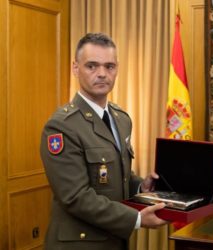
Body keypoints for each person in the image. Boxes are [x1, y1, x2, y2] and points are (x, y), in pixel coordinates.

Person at [40, 33, 167, 250]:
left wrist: (140, 186)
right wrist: (136, 218)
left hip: (115, 239)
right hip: (80, 244)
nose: (102, 74)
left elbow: (116, 177)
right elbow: (76, 197)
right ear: (75, 68)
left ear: (117, 69)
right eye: (92, 66)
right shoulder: (61, 126)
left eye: (109, 66)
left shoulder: (121, 118)